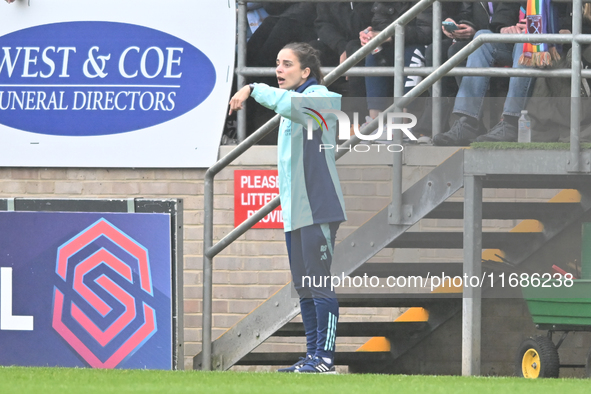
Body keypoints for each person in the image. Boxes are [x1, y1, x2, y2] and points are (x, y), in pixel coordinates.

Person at [229, 42, 347, 374]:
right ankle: (311, 356)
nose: (279, 70)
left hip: (320, 208)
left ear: (306, 71)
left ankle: (325, 359)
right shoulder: (291, 105)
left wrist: (252, 87)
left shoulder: (320, 98)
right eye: (276, 64)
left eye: (287, 64)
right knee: (304, 286)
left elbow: (286, 102)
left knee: (319, 283)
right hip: (296, 212)